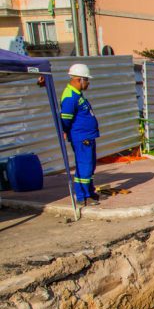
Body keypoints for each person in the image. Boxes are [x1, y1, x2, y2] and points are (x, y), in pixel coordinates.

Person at [61, 64, 100, 206]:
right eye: (87, 80)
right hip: (81, 138)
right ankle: (83, 196)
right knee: (85, 166)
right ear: (79, 80)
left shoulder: (77, 94)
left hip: (88, 136)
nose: (88, 83)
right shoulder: (70, 97)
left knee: (90, 166)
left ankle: (89, 191)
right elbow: (65, 118)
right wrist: (64, 130)